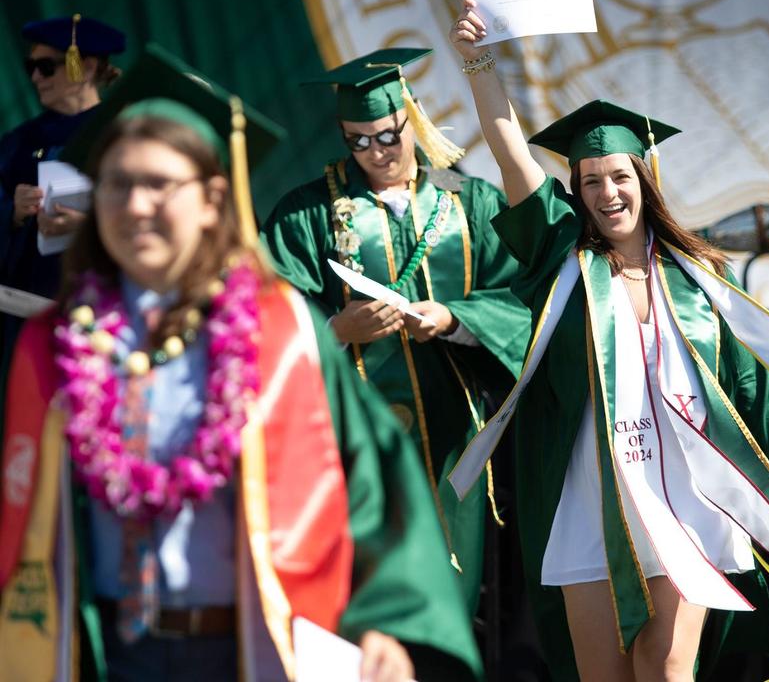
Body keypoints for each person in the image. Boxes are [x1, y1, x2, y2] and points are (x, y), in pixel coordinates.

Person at [0, 46, 481, 682]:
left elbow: (372, 477)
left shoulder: (278, 331)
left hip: (256, 647)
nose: (135, 205)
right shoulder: (56, 346)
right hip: (101, 652)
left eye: (159, 185)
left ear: (211, 199)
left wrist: (381, 617)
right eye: (116, 183)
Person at [448, 0, 769, 682]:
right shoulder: (563, 259)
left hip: (684, 497)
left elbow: (750, 385)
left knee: (664, 669)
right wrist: (479, 64)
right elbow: (511, 154)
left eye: (619, 176)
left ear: (644, 180)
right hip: (592, 495)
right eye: (590, 181)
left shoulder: (697, 282)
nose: (606, 193)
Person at [261, 48, 530, 614]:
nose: (375, 152)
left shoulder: (469, 203)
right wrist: (336, 328)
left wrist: (456, 319)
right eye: (357, 141)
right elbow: (267, 316)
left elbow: (522, 299)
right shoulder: (306, 214)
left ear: (413, 118)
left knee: (449, 598)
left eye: (387, 135)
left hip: (455, 437)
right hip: (349, 441)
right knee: (364, 597)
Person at [1, 14, 126, 434]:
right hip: (26, 320)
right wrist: (13, 212)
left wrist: (94, 222)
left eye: (47, 66)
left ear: (86, 66)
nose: (36, 77)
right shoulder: (17, 144)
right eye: (30, 67)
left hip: (105, 321)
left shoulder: (124, 133)